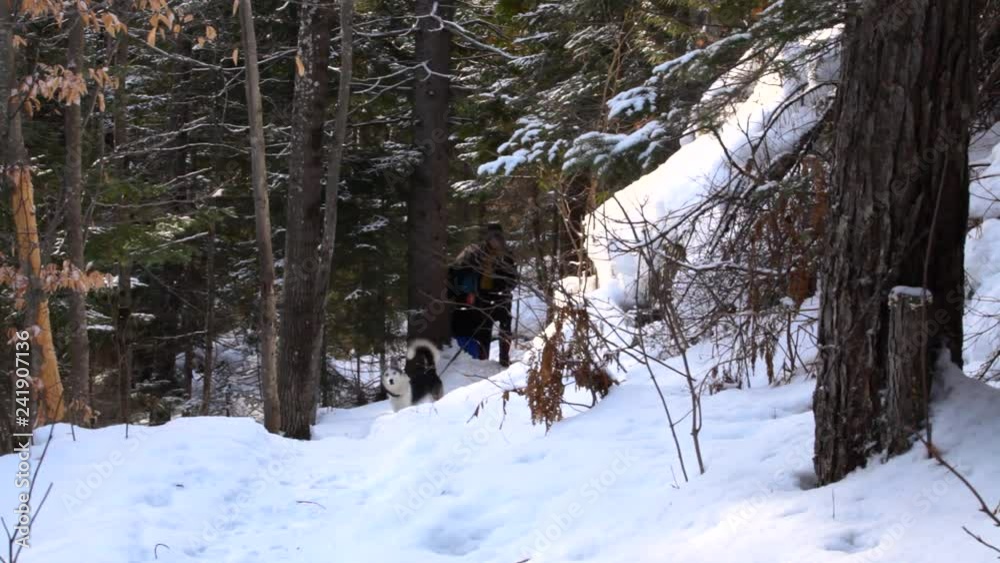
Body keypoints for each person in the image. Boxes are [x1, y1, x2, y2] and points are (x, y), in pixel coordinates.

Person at [448, 224, 518, 366]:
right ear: (487, 238)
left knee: (505, 328)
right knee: (483, 330)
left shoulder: (507, 254)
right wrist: (465, 292)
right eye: (492, 237)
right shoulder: (476, 252)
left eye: (497, 236)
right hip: (482, 297)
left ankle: (504, 359)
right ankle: (483, 361)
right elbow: (457, 270)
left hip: (502, 297)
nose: (495, 240)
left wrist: (506, 289)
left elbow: (513, 277)